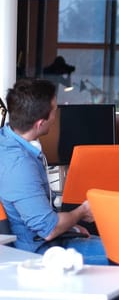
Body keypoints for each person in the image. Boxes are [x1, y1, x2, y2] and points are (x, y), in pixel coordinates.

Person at [0, 78, 107, 265]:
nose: (56, 117)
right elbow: (49, 229)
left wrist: (69, 225)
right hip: (37, 254)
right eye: (54, 112)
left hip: (50, 239)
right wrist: (82, 212)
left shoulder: (8, 141)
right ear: (40, 123)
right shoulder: (19, 165)